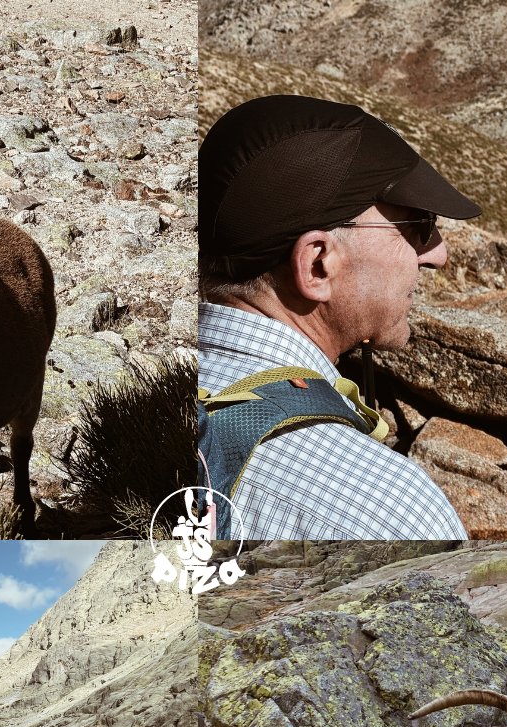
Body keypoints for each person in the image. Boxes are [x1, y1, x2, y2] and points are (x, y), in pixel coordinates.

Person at [198, 94, 482, 540]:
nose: (438, 254)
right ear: (318, 265)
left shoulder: (155, 392)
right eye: (417, 225)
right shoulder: (391, 514)